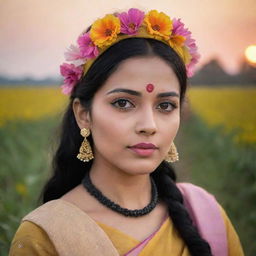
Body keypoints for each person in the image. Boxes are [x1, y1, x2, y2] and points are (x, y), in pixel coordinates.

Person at [9, 8, 244, 256]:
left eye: (165, 106)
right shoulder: (45, 236)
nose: (149, 125)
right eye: (123, 103)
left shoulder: (207, 215)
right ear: (83, 114)